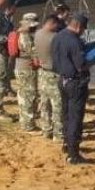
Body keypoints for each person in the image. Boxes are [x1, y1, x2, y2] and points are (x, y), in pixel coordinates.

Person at [51, 13, 90, 164]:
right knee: (75, 117)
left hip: (62, 80)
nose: (83, 32)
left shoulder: (58, 36)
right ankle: (73, 154)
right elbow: (80, 65)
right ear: (78, 26)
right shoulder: (75, 41)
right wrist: (91, 61)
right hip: (75, 82)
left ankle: (67, 144)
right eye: (83, 29)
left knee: (66, 114)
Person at [34, 14, 62, 142]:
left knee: (44, 103)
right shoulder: (55, 38)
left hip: (42, 73)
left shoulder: (37, 34)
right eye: (57, 25)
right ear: (52, 23)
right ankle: (58, 134)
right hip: (53, 74)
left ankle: (46, 130)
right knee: (57, 104)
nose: (58, 28)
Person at [14, 12, 39, 132]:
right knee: (29, 96)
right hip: (26, 69)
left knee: (23, 95)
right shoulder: (26, 35)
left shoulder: (20, 33)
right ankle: (28, 126)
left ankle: (24, 122)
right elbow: (33, 52)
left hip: (20, 68)